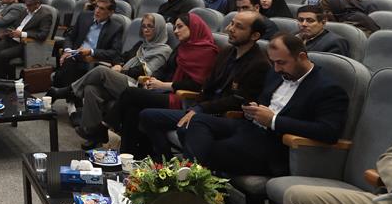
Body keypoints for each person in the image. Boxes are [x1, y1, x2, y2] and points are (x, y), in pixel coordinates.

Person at [180, 33, 349, 177]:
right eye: (273, 62)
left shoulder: (328, 88)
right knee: (197, 121)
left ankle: (187, 182)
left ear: (302, 57)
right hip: (249, 127)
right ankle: (190, 182)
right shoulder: (276, 74)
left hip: (274, 143)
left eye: (281, 62)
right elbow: (263, 103)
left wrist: (274, 121)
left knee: (210, 150)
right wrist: (253, 110)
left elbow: (328, 132)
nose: (276, 69)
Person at [139, 11, 271, 160]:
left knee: (186, 128)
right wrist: (196, 107)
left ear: (255, 35)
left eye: (238, 27)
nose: (230, 29)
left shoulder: (259, 64)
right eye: (232, 23)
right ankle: (166, 163)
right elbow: (208, 85)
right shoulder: (226, 52)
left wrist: (200, 109)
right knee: (147, 116)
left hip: (225, 117)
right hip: (204, 110)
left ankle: (188, 170)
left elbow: (237, 100)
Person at [111, 13, 219, 157]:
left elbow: (197, 84)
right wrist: (152, 80)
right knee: (132, 108)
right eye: (174, 28)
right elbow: (165, 69)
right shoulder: (182, 47)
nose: (175, 31)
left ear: (193, 27)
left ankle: (106, 126)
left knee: (130, 93)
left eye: (180, 27)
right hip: (166, 92)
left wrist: (163, 85)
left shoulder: (207, 51)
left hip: (184, 100)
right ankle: (128, 156)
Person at [67, 13, 172, 149]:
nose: (146, 29)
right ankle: (94, 134)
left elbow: (146, 71)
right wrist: (118, 64)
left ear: (159, 29)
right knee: (91, 89)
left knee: (101, 71)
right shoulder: (142, 45)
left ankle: (69, 90)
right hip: (125, 81)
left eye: (150, 27)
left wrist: (121, 70)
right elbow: (121, 56)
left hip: (138, 87)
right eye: (143, 26)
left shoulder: (164, 50)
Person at [49, 0, 123, 93]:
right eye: (97, 7)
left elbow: (114, 52)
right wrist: (68, 50)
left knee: (66, 69)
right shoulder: (84, 16)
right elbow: (70, 37)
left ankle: (61, 93)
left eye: (102, 9)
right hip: (76, 55)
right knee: (68, 61)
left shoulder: (116, 27)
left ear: (110, 12)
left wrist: (91, 52)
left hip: (94, 59)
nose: (97, 11)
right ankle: (65, 94)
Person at [0, 0, 53, 78]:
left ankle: (8, 79)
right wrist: (8, 32)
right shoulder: (25, 11)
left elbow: (42, 35)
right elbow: (15, 25)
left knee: (3, 54)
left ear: (37, 4)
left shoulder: (45, 15)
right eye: (26, 4)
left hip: (25, 44)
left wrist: (22, 34)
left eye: (29, 5)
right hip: (12, 39)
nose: (27, 7)